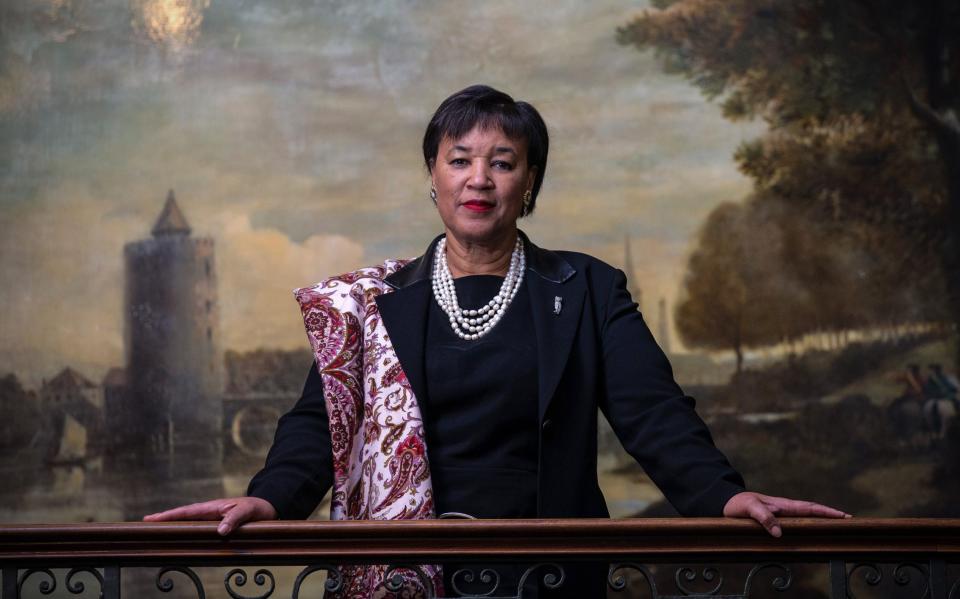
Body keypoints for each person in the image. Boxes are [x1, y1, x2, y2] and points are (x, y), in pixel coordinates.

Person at [145, 85, 850, 597]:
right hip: (404, 576)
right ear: (433, 177)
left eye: (503, 161)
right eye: (459, 159)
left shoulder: (590, 289)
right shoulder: (372, 304)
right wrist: (267, 500)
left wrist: (725, 498)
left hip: (550, 572)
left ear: (530, 182)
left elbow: (655, 413)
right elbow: (316, 425)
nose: (479, 178)